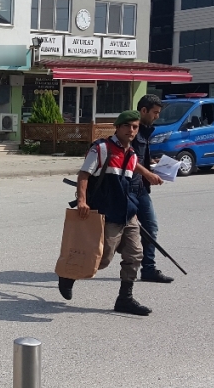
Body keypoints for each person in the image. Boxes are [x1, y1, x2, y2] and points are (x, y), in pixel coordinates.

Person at [57, 110, 152, 316]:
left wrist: (149, 174)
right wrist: (82, 200)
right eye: (127, 126)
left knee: (135, 255)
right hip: (107, 214)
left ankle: (124, 299)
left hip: (128, 213)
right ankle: (68, 276)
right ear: (117, 127)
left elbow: (135, 167)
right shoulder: (101, 148)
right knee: (102, 259)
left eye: (135, 127)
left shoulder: (131, 153)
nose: (131, 130)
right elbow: (84, 174)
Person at [131, 94, 174, 284]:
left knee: (150, 228)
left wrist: (151, 163)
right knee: (110, 234)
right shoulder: (131, 130)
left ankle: (148, 268)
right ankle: (79, 266)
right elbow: (126, 158)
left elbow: (138, 158)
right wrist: (147, 174)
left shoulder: (145, 131)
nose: (157, 116)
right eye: (155, 112)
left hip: (140, 188)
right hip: (126, 188)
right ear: (143, 111)